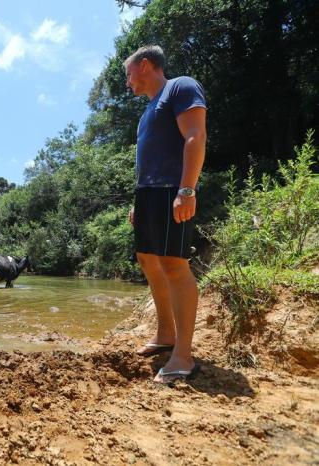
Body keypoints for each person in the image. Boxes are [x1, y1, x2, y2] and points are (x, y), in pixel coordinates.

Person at [124, 45, 207, 383]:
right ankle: (165, 334)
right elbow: (149, 158)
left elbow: (194, 136)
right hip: (148, 194)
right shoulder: (146, 113)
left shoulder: (181, 87)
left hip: (173, 189)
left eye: (129, 74)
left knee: (174, 264)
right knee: (147, 259)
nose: (128, 82)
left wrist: (187, 189)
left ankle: (183, 356)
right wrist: (138, 202)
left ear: (145, 66)